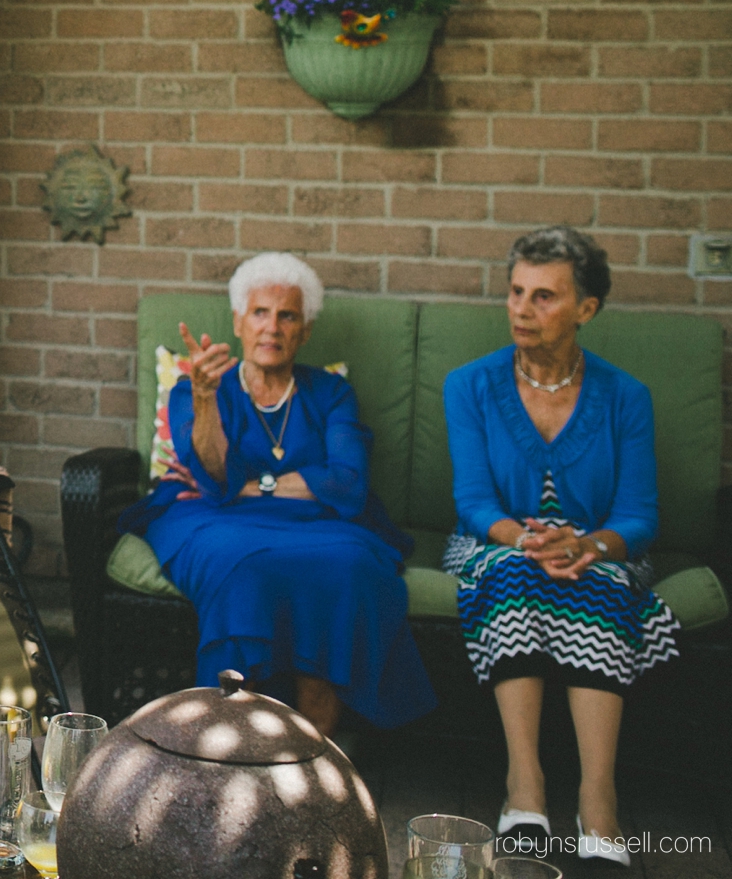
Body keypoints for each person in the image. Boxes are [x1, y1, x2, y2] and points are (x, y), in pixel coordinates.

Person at [119, 253, 436, 737]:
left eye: (287, 315)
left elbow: (348, 482)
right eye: (260, 313)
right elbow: (215, 478)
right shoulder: (200, 388)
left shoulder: (329, 392)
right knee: (241, 565)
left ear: (305, 330)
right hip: (211, 518)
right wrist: (206, 403)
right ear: (238, 323)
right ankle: (233, 742)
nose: (272, 327)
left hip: (320, 525)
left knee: (350, 564)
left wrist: (257, 484)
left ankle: (314, 753)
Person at [445, 226, 677, 870]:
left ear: (586, 310)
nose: (522, 307)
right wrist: (528, 539)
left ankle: (598, 799)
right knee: (515, 576)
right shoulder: (470, 385)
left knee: (598, 584)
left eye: (544, 296)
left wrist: (591, 545)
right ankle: (526, 788)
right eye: (517, 292)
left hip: (597, 549)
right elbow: (473, 504)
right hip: (496, 544)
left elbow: (638, 515)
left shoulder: (625, 396)